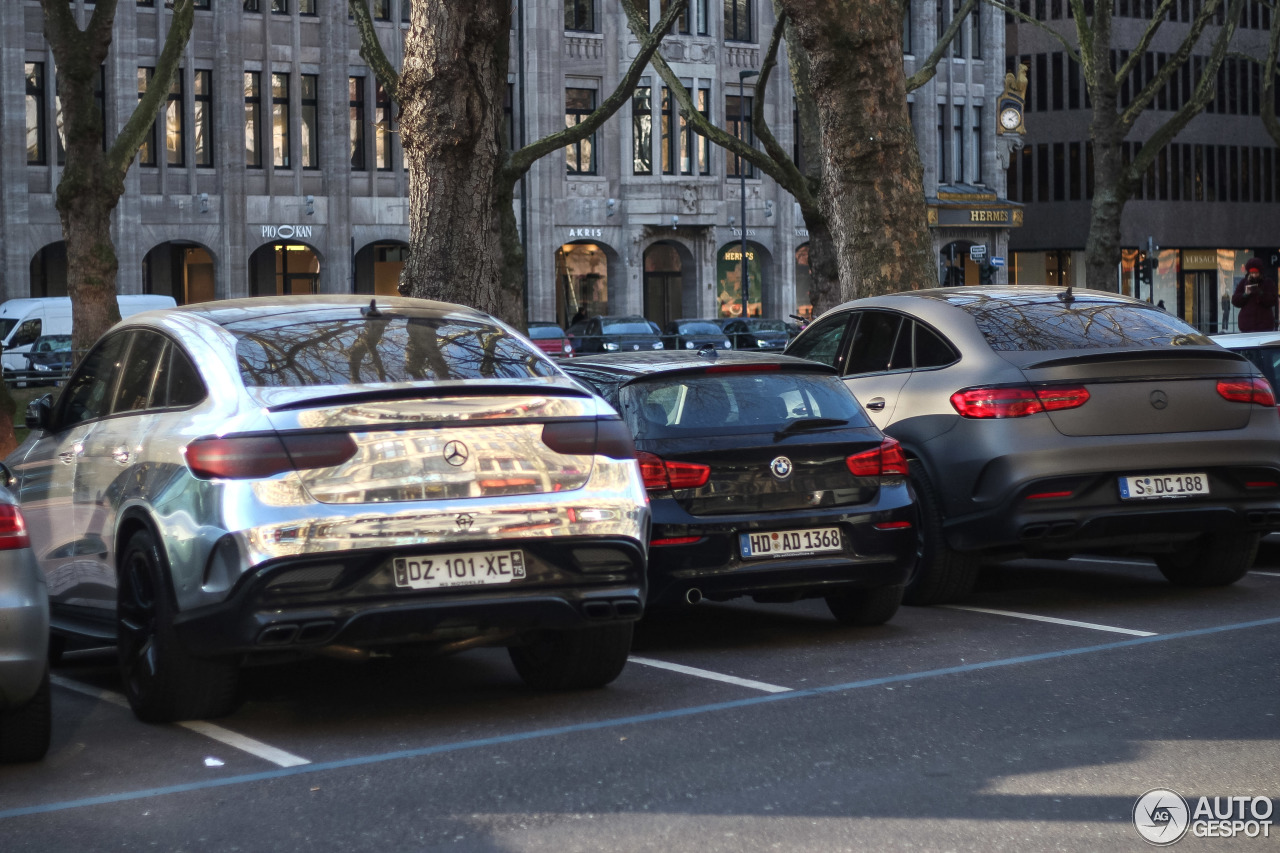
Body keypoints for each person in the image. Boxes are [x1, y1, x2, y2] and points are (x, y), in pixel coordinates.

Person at [1230, 259, 1278, 332]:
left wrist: (1260, 293)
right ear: (1249, 273)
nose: (1254, 275)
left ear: (1260, 272)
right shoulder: (1243, 282)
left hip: (1264, 325)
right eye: (1252, 273)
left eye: (1256, 273)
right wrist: (1245, 294)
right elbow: (1235, 301)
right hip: (1247, 325)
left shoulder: (1268, 282)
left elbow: (1273, 300)